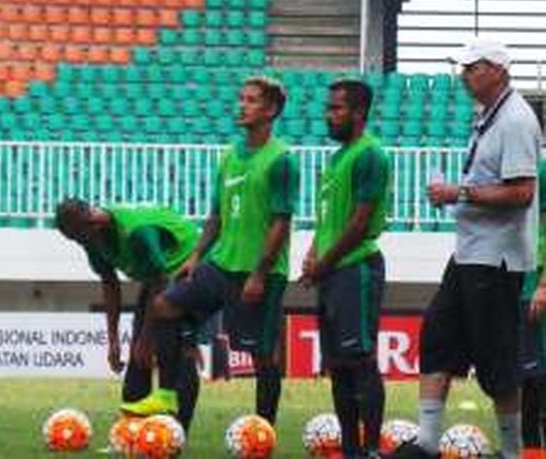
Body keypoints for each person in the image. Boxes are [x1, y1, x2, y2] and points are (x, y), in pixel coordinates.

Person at [392, 38, 541, 459]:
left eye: (472, 67)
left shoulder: (514, 120)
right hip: (472, 254)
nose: (463, 75)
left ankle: (512, 452)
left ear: (497, 69)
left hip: (496, 260)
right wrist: (461, 195)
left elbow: (522, 193)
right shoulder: (491, 117)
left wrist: (460, 192)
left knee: (497, 363)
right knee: (436, 335)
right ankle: (425, 442)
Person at [121, 76, 298, 424]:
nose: (242, 105)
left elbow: (281, 222)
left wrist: (260, 274)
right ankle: (167, 394)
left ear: (272, 110)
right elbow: (216, 215)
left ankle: (263, 431)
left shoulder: (281, 160)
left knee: (263, 358)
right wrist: (196, 256)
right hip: (219, 265)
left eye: (251, 100)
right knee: (164, 305)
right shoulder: (229, 156)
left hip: (257, 273)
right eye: (241, 98)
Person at [300, 80, 389, 458]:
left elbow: (359, 223)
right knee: (337, 365)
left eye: (336, 108)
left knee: (361, 361)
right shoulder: (337, 159)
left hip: (357, 269)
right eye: (328, 107)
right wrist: (312, 252)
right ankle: (351, 449)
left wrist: (325, 262)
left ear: (359, 113)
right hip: (333, 272)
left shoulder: (370, 154)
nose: (328, 115)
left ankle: (369, 448)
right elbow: (328, 220)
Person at [55, 200, 201, 431]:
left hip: (188, 266)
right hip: (157, 276)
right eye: (72, 239)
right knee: (138, 352)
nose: (79, 243)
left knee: (172, 347)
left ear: (91, 224)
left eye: (78, 237)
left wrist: (147, 339)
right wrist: (113, 339)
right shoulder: (90, 237)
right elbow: (110, 283)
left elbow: (161, 282)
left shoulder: (136, 233)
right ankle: (131, 431)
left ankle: (176, 432)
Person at [520, 158, 546, 457]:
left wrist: (543, 284)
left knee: (537, 375)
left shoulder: (542, 170)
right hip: (520, 279)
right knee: (526, 376)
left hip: (535, 279)